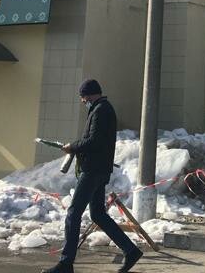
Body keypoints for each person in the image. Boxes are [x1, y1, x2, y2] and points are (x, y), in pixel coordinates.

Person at [43, 79, 142, 273]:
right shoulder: (101, 109)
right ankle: (131, 251)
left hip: (93, 170)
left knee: (73, 213)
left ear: (90, 94)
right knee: (97, 214)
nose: (82, 100)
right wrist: (76, 146)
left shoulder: (101, 110)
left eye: (83, 96)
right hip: (99, 169)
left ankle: (66, 263)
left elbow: (94, 141)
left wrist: (73, 146)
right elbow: (93, 139)